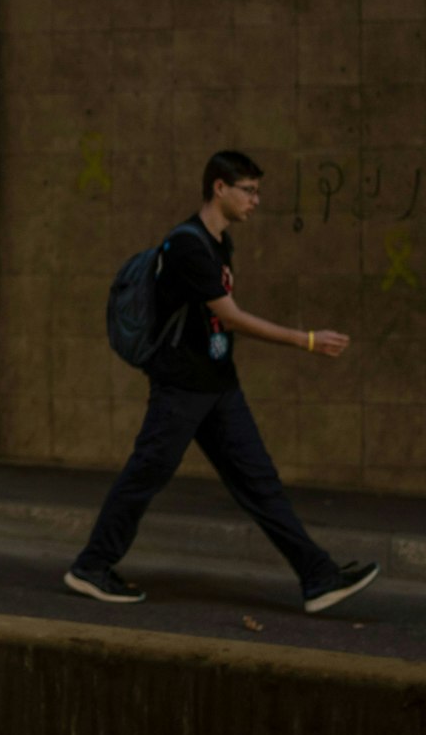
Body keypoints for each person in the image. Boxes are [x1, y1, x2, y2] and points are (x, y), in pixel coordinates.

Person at [65, 150, 380, 614]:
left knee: (259, 482)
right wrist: (307, 340)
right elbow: (230, 317)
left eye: (257, 191)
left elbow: (216, 323)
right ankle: (92, 566)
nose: (256, 200)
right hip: (181, 387)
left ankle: (318, 577)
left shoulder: (220, 244)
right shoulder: (187, 246)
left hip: (217, 386)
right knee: (146, 474)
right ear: (219, 188)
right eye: (248, 190)